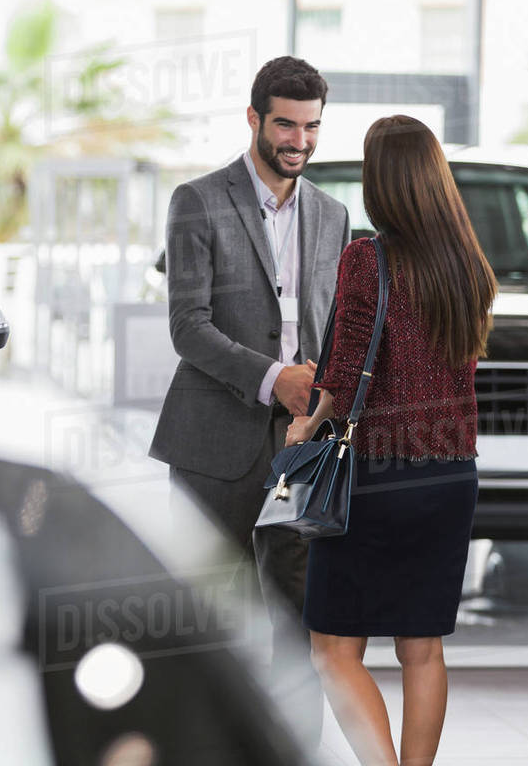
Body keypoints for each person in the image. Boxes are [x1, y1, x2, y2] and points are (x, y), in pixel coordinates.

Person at [148, 55, 351, 749]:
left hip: (303, 444)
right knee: (209, 621)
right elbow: (188, 326)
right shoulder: (198, 201)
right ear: (254, 119)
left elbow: (330, 326)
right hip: (213, 445)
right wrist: (273, 378)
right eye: (286, 125)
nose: (300, 141)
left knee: (299, 624)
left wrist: (320, 397)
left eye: (311, 127)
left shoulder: (332, 214)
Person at [285, 115, 497, 766]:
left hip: (376, 475)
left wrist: (305, 425)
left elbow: (348, 369)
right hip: (452, 474)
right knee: (422, 647)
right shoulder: (468, 264)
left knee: (333, 649)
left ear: (379, 182)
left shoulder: (367, 258)